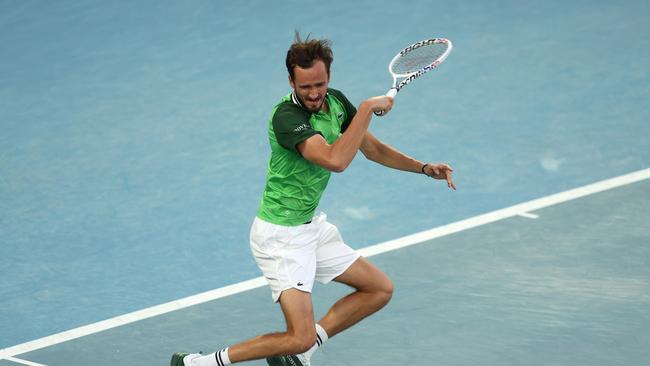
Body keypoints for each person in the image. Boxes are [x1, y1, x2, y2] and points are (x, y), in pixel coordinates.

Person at [171, 33, 455, 366]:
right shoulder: (286, 118)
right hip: (281, 237)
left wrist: (422, 168)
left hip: (310, 229)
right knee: (296, 335)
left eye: (319, 84)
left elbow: (372, 148)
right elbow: (336, 160)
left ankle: (304, 353)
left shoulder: (335, 103)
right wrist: (366, 109)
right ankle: (197, 364)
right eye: (305, 86)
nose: (314, 93)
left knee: (378, 289)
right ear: (291, 80)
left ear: (328, 77)